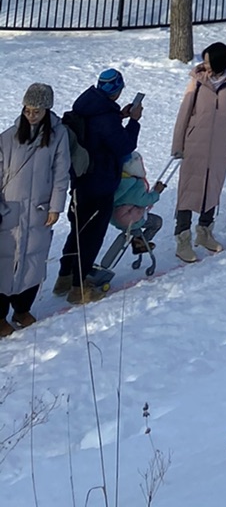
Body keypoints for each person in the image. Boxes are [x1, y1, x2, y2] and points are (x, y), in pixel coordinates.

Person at [56, 68, 141, 303]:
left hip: (81, 181)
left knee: (77, 230)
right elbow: (124, 146)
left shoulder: (87, 106)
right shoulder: (106, 118)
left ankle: (64, 277)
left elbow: (99, 129)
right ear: (116, 90)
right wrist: (133, 122)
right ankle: (78, 288)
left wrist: (120, 117)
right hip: (100, 183)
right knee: (91, 236)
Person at [0, 84, 69, 332]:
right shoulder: (7, 137)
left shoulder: (58, 136)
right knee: (5, 263)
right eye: (28, 110)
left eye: (37, 111)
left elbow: (61, 174)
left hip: (39, 211)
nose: (31, 115)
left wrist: (55, 207)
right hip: (10, 211)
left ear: (47, 110)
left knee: (33, 263)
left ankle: (21, 310)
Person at [170, 41, 226, 261]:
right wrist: (178, 144)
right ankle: (182, 238)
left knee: (212, 189)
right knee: (187, 191)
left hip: (220, 146)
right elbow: (184, 112)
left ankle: (205, 232)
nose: (206, 65)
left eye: (209, 61)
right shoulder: (198, 80)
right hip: (195, 143)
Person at [95, 151, 166, 284]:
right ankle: (141, 244)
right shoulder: (135, 184)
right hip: (132, 220)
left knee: (132, 232)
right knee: (156, 222)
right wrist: (156, 192)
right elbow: (145, 200)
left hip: (115, 218)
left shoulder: (117, 180)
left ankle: (139, 243)